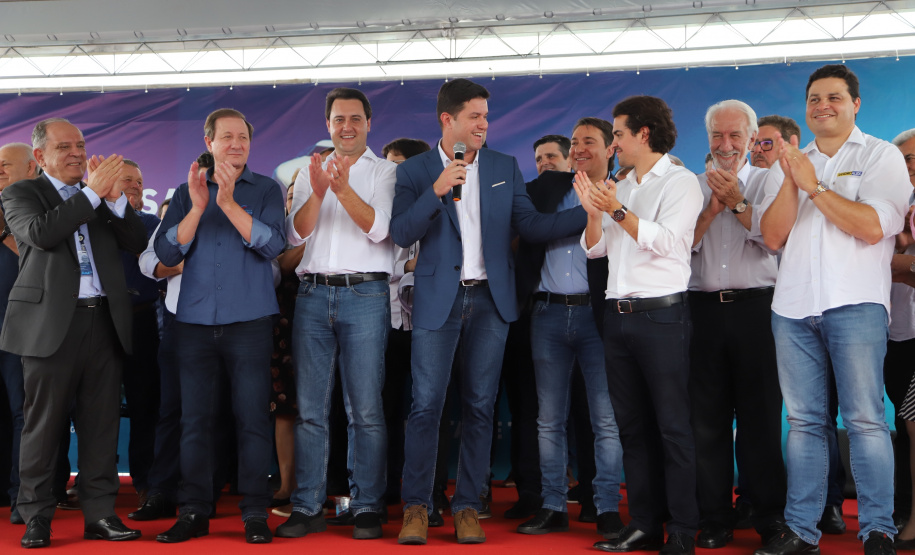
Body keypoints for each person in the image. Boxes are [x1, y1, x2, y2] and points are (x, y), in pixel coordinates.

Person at [391, 78, 586, 545]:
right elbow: (400, 232)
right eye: (475, 115)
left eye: (485, 115)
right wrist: (437, 190)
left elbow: (533, 225)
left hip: (491, 302)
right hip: (439, 299)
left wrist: (593, 210)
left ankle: (467, 507)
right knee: (425, 407)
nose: (484, 123)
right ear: (448, 119)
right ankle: (417, 506)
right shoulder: (416, 171)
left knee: (480, 408)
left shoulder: (503, 165)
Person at [757, 64, 909, 555]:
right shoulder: (795, 161)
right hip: (793, 307)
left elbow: (872, 226)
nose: (823, 106)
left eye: (834, 97)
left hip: (855, 305)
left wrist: (816, 186)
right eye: (815, 98)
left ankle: (878, 530)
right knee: (804, 423)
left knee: (865, 420)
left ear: (855, 104)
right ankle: (801, 531)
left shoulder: (880, 155)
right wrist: (793, 179)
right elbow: (773, 236)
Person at [1, 118, 148, 548]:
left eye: (81, 145)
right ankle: (36, 516)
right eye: (64, 147)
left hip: (103, 321)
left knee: (100, 426)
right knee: (43, 427)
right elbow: (41, 234)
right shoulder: (21, 192)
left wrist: (117, 201)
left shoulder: (101, 196)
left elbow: (137, 241)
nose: (76, 153)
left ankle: (100, 514)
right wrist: (92, 194)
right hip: (49, 326)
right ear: (40, 156)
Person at [575, 96, 703, 555]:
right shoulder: (619, 185)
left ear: (643, 134)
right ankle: (645, 523)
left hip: (663, 314)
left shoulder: (681, 181)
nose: (615, 143)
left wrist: (614, 210)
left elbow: (670, 244)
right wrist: (595, 212)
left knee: (672, 426)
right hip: (617, 314)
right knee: (630, 427)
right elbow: (596, 251)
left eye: (619, 134)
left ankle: (684, 528)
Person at [154, 108, 285, 544]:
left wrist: (228, 204)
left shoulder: (266, 188)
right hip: (192, 323)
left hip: (248, 323)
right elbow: (167, 254)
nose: (236, 144)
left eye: (243, 137)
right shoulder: (185, 189)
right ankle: (193, 510)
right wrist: (197, 207)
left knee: (251, 419)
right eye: (227, 137)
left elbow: (273, 245)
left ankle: (253, 512)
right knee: (195, 421)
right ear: (208, 142)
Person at [276, 88, 395, 541]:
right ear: (328, 124)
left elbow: (379, 228)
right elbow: (296, 232)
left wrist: (342, 190)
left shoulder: (386, 171)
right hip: (311, 295)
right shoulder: (310, 170)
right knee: (310, 411)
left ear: (368, 123)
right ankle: (307, 506)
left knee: (364, 409)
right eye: (338, 119)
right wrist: (320, 188)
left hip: (365, 295)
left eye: (355, 118)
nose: (347, 126)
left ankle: (366, 505)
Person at [515, 120, 624, 540]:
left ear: (611, 148)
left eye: (589, 142)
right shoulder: (545, 189)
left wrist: (602, 206)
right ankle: (552, 504)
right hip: (546, 315)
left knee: (605, 420)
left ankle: (608, 507)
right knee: (548, 419)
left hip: (598, 317)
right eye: (574, 142)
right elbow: (529, 230)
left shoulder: (625, 189)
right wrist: (588, 211)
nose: (579, 149)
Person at [688, 100, 786, 550]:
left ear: (752, 140)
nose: (725, 145)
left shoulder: (772, 180)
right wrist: (708, 209)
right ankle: (714, 518)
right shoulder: (688, 186)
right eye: (717, 136)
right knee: (705, 421)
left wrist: (736, 201)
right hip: (701, 311)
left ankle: (767, 514)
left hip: (758, 310)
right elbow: (674, 249)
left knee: (760, 419)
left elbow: (774, 240)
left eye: (734, 136)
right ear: (707, 139)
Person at [116, 160, 163, 509]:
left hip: (141, 322)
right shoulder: (88, 221)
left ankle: (145, 482)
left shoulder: (150, 223)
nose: (135, 185)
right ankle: (93, 481)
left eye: (140, 180)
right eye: (127, 179)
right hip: (97, 323)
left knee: (145, 406)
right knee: (93, 409)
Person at [0, 142, 39, 526]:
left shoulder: (40, 206)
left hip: (19, 331)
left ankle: (21, 497)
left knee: (22, 414)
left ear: (31, 168)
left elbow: (36, 252)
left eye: (4, 165)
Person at [885, 128, 915, 547]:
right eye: (904, 159)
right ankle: (904, 509)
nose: (910, 166)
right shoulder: (892, 205)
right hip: (895, 335)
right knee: (904, 425)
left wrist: (896, 262)